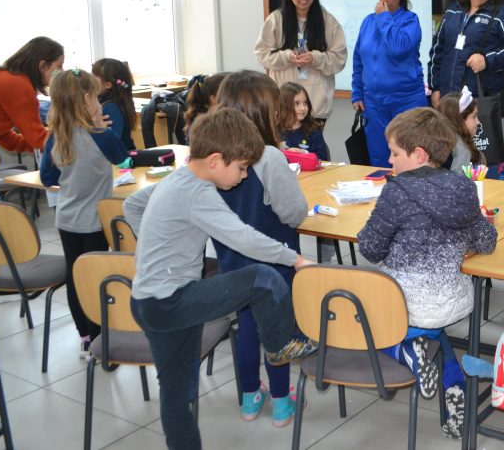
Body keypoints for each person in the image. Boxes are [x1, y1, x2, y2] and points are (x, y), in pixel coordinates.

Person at [123, 107, 316, 450]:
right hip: (172, 300)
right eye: (241, 167)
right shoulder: (198, 192)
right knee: (264, 278)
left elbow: (132, 206)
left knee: (177, 393)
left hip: (147, 301)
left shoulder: (178, 180)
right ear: (215, 161)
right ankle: (279, 344)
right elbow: (242, 238)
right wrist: (296, 259)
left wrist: (157, 253)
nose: (244, 175)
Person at [358, 107, 498, 438]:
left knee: (357, 321)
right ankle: (456, 391)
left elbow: (370, 249)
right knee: (432, 336)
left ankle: (404, 351)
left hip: (404, 306)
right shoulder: (464, 188)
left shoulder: (396, 192)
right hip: (452, 303)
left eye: (394, 153)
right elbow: (486, 242)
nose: (389, 160)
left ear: (419, 155)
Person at [210, 71, 309, 426]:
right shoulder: (268, 157)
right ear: (266, 112)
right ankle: (281, 401)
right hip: (274, 265)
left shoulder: (213, 158)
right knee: (275, 328)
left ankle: (250, 397)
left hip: (232, 263)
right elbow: (293, 213)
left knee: (247, 327)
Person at [39, 68, 130, 357]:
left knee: (75, 275)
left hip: (66, 220)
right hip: (94, 221)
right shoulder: (103, 135)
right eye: (98, 98)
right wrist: (101, 126)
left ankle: (86, 338)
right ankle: (100, 337)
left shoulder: (56, 137)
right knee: (96, 278)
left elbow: (47, 178)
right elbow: (124, 159)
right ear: (88, 99)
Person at [351, 0, 428, 168]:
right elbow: (359, 58)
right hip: (374, 102)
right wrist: (357, 92)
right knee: (379, 156)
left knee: (411, 153)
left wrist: (384, 17)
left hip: (407, 99)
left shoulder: (410, 20)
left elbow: (399, 48)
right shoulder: (368, 21)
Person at [254, 0, 347, 123]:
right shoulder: (275, 19)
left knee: (313, 140)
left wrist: (315, 58)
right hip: (284, 106)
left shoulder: (328, 21)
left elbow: (339, 58)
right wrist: (286, 57)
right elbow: (261, 54)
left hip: (316, 107)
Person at [0, 36, 64, 169]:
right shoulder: (18, 85)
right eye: (59, 66)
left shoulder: (6, 77)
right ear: (42, 66)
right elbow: (38, 139)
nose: (62, 72)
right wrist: (77, 139)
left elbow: (5, 138)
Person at [278, 81, 330, 162]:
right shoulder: (274, 130)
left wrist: (304, 153)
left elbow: (322, 158)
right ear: (284, 105)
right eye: (297, 103)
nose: (302, 108)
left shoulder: (313, 130)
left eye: (305, 103)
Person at [91, 58, 137, 151]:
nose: (89, 80)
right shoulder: (108, 102)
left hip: (122, 158)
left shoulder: (111, 108)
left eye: (94, 76)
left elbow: (111, 145)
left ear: (108, 85)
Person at [438, 87, 485, 176]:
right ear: (460, 119)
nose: (478, 122)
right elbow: (459, 182)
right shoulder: (461, 149)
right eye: (474, 117)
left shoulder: (438, 142)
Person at [183, 72, 230, 140]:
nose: (232, 98)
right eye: (228, 94)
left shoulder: (215, 118)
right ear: (213, 98)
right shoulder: (206, 125)